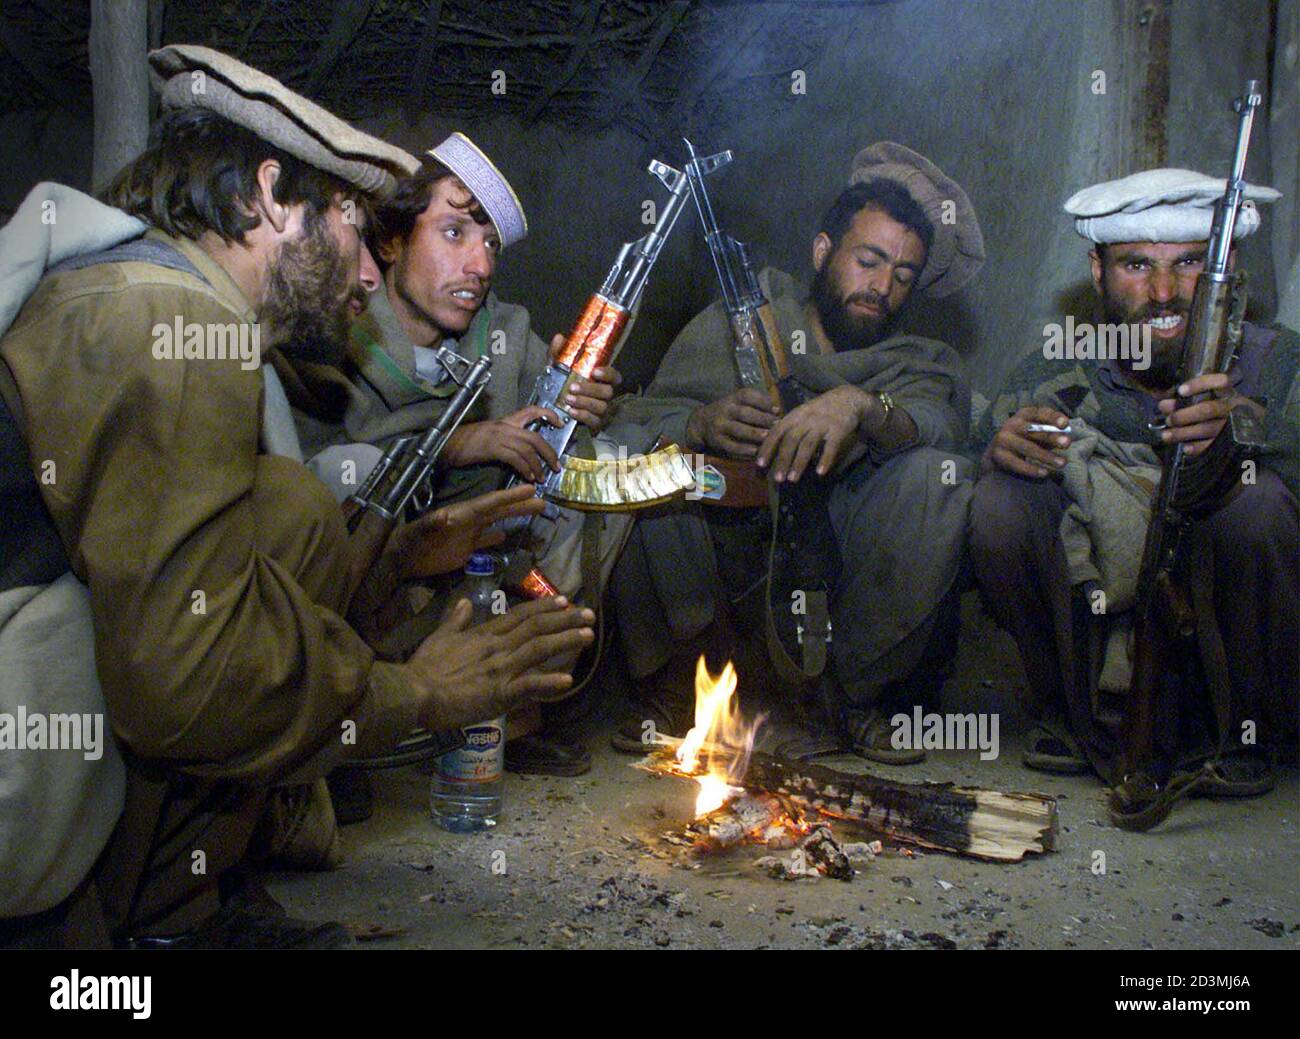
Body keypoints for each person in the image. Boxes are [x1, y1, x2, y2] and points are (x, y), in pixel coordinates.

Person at [0, 45, 593, 949]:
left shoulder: (150, 294)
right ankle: (116, 938)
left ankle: (175, 907)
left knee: (292, 513)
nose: (368, 273)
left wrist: (400, 555)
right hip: (24, 749)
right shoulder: (172, 324)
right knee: (233, 606)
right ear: (272, 197)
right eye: (352, 225)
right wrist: (419, 693)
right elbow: (186, 682)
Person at [606, 142, 984, 763]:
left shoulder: (913, 361)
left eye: (903, 276)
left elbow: (942, 427)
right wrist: (701, 422)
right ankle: (678, 687)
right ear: (823, 251)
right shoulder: (748, 320)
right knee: (644, 461)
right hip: (722, 561)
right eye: (869, 260)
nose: (881, 287)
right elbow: (636, 417)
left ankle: (851, 699)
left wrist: (862, 407)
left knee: (938, 479)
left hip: (840, 561)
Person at [274, 133, 630, 787]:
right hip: (362, 573)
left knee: (594, 470)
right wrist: (453, 444)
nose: (480, 264)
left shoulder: (505, 333)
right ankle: (350, 714)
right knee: (345, 471)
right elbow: (296, 472)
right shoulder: (332, 323)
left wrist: (578, 408)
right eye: (455, 233)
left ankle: (511, 704)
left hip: (477, 558)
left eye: (490, 245)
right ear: (390, 242)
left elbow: (556, 433)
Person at [968, 167, 1298, 808]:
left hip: (1233, 631)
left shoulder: (1278, 363)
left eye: (1190, 263)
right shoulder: (1057, 367)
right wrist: (995, 450)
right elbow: (964, 460)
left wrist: (1252, 429)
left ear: (1226, 269)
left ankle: (1247, 734)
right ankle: (1069, 716)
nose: (1165, 292)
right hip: (1105, 633)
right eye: (1137, 265)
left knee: (1258, 505)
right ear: (1098, 272)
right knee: (999, 505)